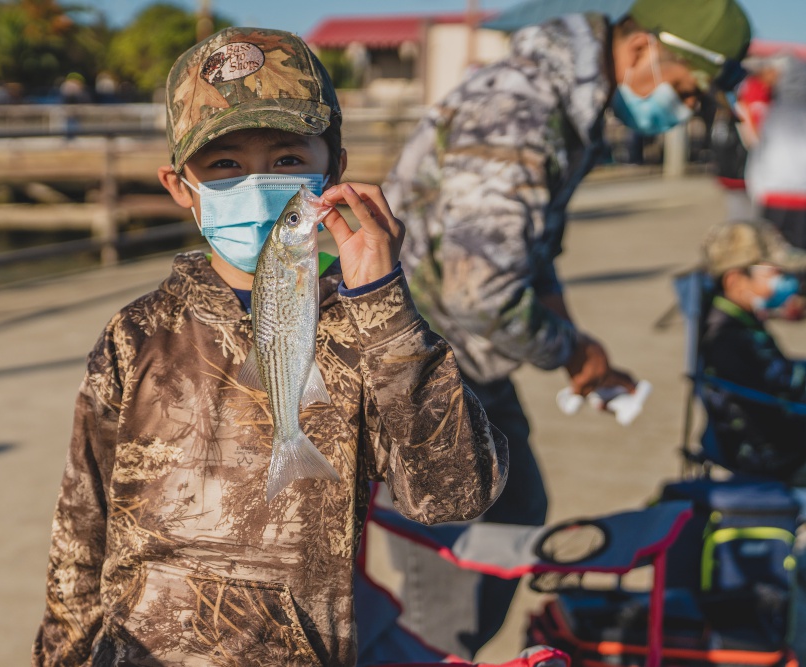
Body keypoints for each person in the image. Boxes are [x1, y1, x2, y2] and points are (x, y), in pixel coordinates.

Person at [31, 27, 508, 667]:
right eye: (224, 164)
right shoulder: (133, 335)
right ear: (182, 187)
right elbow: (80, 531)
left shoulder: (369, 328)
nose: (257, 182)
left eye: (286, 160)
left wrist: (386, 306)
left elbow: (454, 496)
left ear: (332, 169)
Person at [372, 0, 752, 658]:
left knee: (519, 503)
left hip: (468, 360)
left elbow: (531, 252)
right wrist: (573, 348)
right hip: (418, 365)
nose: (686, 113)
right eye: (687, 93)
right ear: (640, 53)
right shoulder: (519, 110)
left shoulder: (571, 109)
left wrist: (583, 354)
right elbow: (478, 290)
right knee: (454, 580)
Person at [699, 219, 806, 480]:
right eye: (775, 274)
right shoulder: (726, 337)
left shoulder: (735, 318)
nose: (788, 281)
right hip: (767, 454)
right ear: (736, 281)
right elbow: (773, 404)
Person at [746, 59, 806, 248]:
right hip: (792, 198)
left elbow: (759, 152)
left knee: (771, 257)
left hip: (773, 197)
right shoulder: (774, 112)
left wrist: (757, 188)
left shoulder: (773, 113)